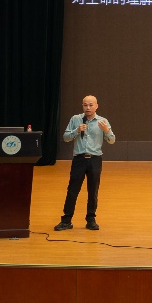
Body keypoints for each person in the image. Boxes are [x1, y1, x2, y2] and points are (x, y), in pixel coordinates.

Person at [56, 95, 115, 232]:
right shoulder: (75, 119)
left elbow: (112, 140)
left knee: (93, 190)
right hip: (79, 159)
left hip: (95, 159)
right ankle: (66, 220)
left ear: (96, 106)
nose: (88, 107)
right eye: (85, 105)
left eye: (90, 105)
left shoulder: (102, 121)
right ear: (82, 106)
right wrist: (76, 130)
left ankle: (91, 219)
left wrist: (106, 130)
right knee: (72, 190)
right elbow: (66, 138)